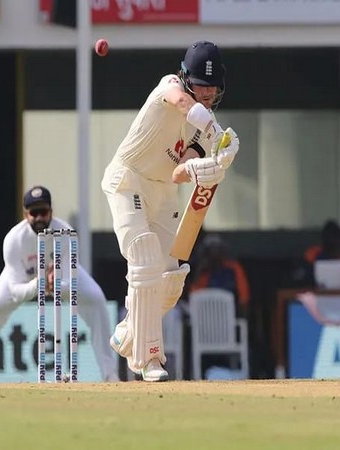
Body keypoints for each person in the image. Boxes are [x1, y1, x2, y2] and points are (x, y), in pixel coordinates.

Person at [101, 40, 240, 381]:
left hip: (162, 193)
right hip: (128, 179)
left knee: (171, 280)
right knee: (145, 258)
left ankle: (129, 330)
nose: (207, 94)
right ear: (186, 78)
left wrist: (206, 167)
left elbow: (180, 171)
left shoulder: (206, 128)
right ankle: (148, 360)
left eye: (213, 88)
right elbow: (181, 102)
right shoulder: (170, 87)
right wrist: (212, 129)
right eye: (202, 86)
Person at [0, 186, 119, 383]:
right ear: (25, 214)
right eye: (33, 213)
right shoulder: (13, 240)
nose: (39, 218)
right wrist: (39, 284)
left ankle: (109, 373)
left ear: (51, 212)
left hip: (59, 280)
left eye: (43, 212)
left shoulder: (66, 234)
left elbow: (71, 282)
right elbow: (16, 292)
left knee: (96, 298)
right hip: (26, 280)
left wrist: (56, 284)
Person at [189, 234, 250, 318]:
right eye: (210, 250)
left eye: (217, 249)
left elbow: (244, 298)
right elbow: (195, 298)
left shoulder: (234, 268)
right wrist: (201, 269)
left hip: (230, 317)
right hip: (206, 317)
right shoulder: (204, 273)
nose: (214, 253)